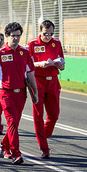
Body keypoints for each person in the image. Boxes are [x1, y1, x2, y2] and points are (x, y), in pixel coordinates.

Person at [0, 22, 39, 165]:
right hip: (5, 93)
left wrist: (35, 92)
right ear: (7, 36)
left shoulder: (24, 53)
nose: (16, 39)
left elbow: (30, 74)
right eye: (13, 36)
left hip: (21, 94)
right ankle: (16, 153)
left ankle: (5, 145)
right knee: (12, 122)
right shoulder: (0, 54)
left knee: (14, 124)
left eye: (18, 36)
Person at [28, 20, 66, 159]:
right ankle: (44, 148)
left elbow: (62, 62)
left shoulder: (57, 43)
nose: (48, 36)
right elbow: (27, 63)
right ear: (40, 31)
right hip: (37, 81)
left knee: (54, 115)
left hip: (53, 81)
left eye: (51, 33)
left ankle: (43, 135)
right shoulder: (32, 44)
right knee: (38, 115)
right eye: (45, 34)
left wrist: (61, 65)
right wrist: (39, 64)